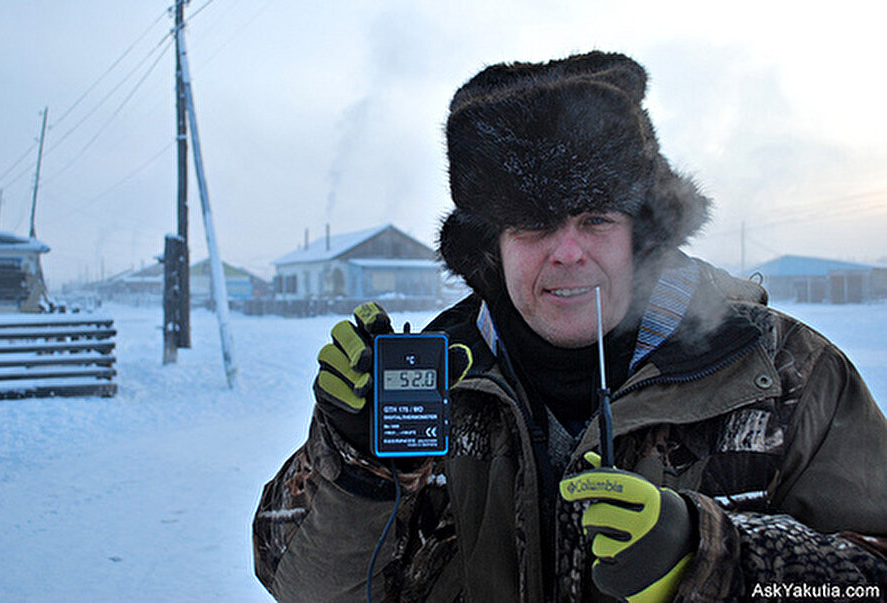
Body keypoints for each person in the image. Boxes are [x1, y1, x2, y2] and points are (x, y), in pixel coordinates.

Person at [253, 51, 887, 601]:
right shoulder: (435, 378)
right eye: (531, 225)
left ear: (642, 233)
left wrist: (711, 560)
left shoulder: (786, 375)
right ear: (488, 249)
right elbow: (308, 589)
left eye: (595, 219)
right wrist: (361, 465)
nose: (566, 253)